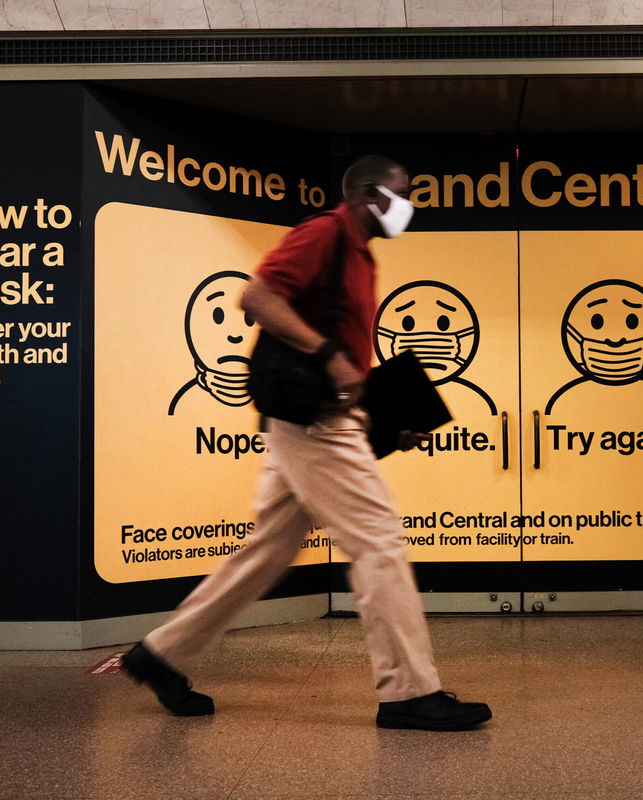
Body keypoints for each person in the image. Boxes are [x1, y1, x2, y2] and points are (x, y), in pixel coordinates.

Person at [122, 155, 492, 732]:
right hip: (314, 423)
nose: (411, 204)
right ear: (370, 194)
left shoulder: (361, 255)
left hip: (317, 421)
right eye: (405, 193)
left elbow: (347, 364)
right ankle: (408, 692)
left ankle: (162, 654)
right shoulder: (324, 233)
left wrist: (387, 421)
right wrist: (326, 356)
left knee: (268, 551)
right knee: (380, 543)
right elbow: (257, 297)